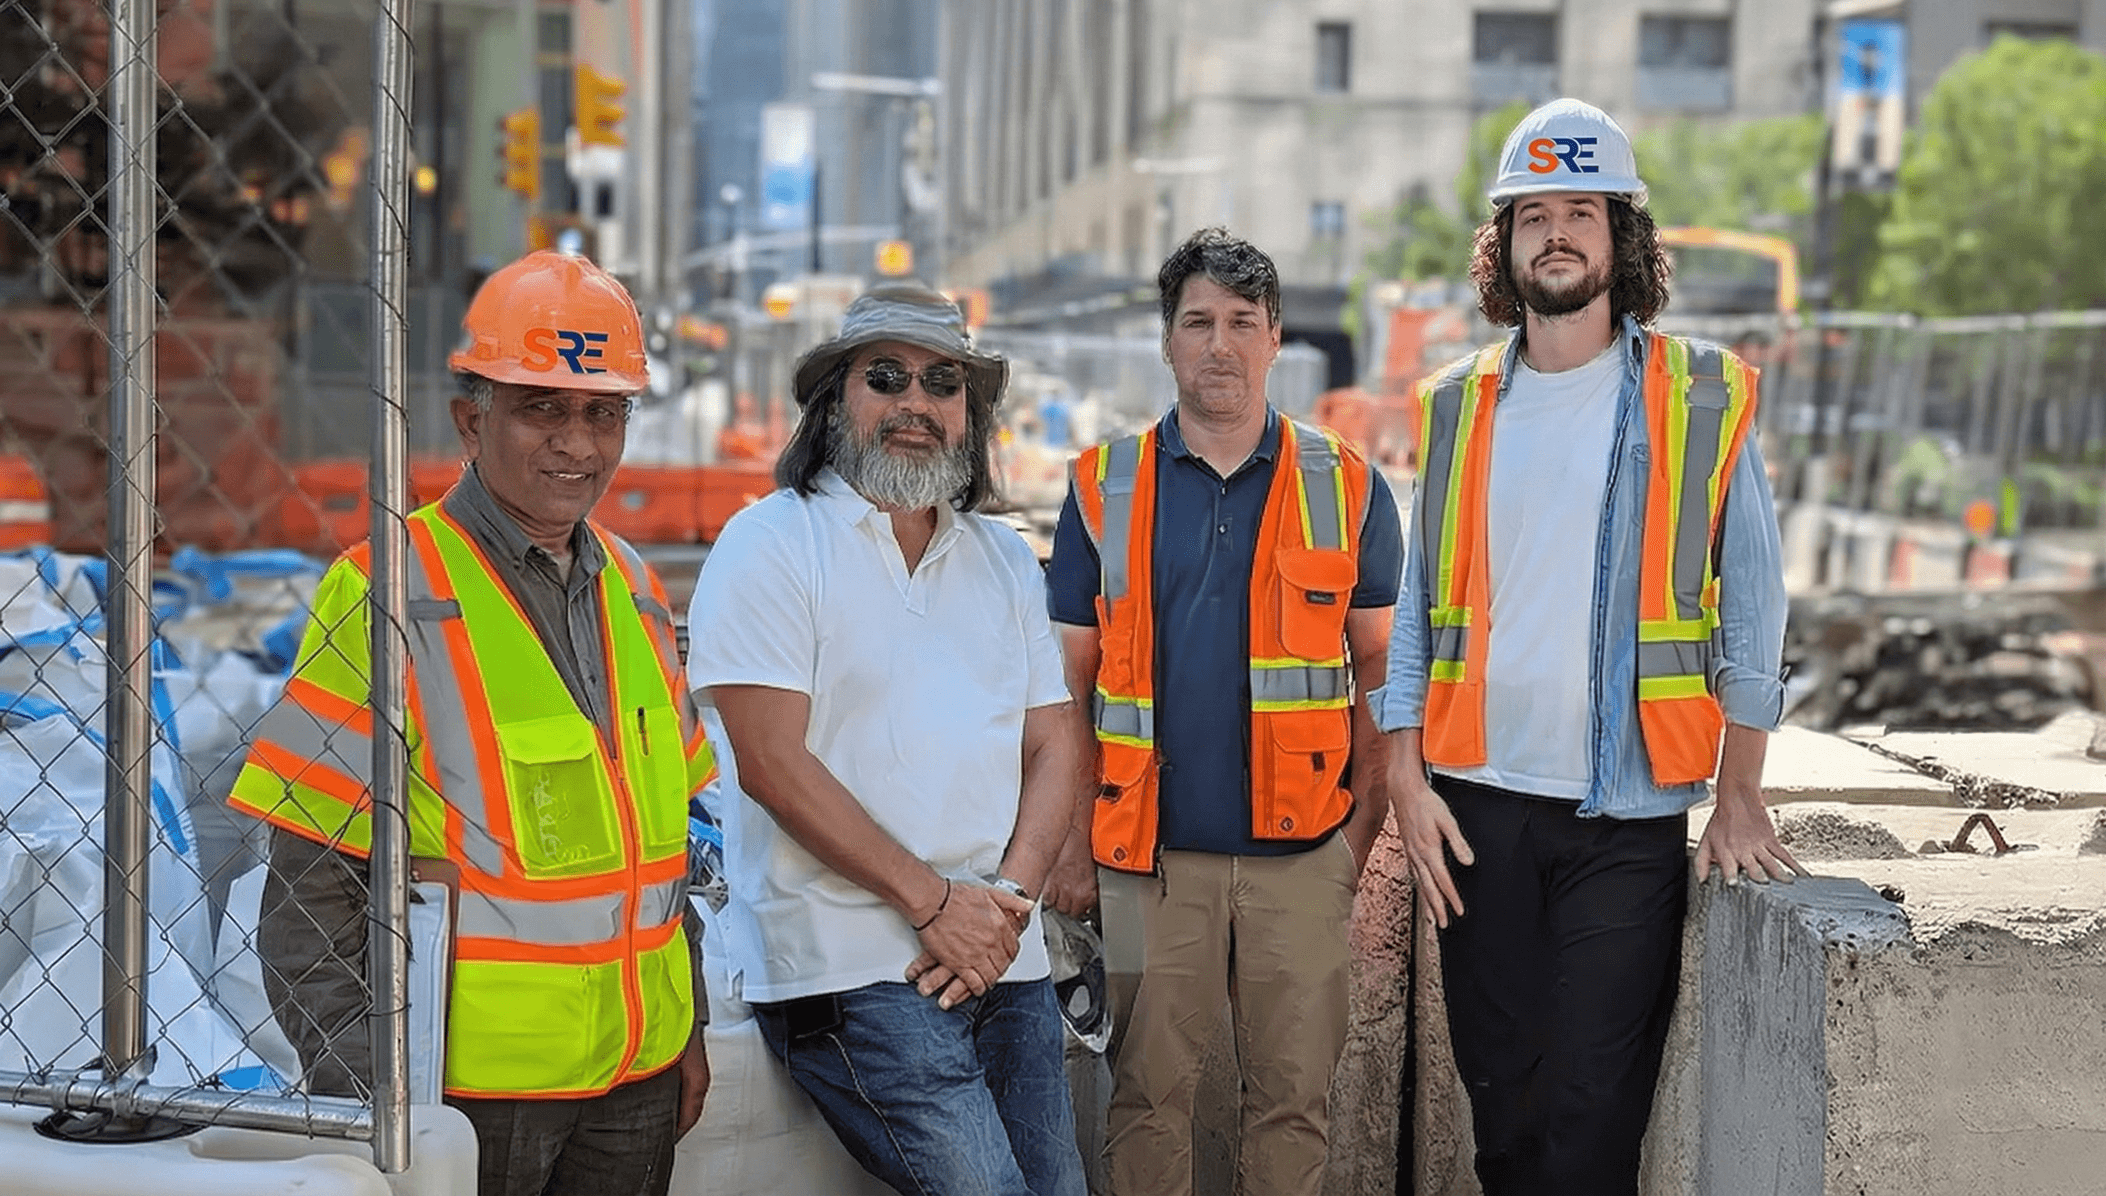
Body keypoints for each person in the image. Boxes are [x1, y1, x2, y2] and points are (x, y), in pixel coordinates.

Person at [1377, 98, 1803, 1195]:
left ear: (1622, 238)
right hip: (1477, 806)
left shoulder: (1698, 395)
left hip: (1628, 818)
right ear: (1504, 245)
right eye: (1533, 216)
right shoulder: (1457, 404)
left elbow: (1754, 599)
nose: (1555, 234)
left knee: (1590, 1116)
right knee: (1502, 1112)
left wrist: (1742, 787)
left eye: (1581, 211)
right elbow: (1421, 607)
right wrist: (1403, 776)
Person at [229, 249, 713, 1196]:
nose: (577, 442)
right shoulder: (386, 591)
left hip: (635, 1080)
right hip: (463, 1096)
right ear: (470, 418)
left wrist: (686, 1025)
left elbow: (663, 852)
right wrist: (371, 1091)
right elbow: (307, 887)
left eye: (602, 413)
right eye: (542, 407)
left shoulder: (640, 593)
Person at [684, 282, 1090, 1196]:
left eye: (944, 383)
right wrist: (934, 904)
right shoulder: (770, 545)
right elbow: (773, 767)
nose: (917, 402)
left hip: (1000, 950)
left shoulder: (1001, 559)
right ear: (837, 401)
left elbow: (1055, 743)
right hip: (847, 961)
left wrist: (1006, 904)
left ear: (970, 415)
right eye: (887, 377)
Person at [1043, 227, 1405, 1196]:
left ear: (1276, 336)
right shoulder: (1097, 486)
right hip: (1147, 859)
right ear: (1166, 340)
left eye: (1243, 322)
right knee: (1147, 1097)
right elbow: (1065, 692)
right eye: (1198, 321)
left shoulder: (1349, 485)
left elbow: (1381, 677)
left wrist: (1358, 838)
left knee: (1295, 1102)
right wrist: (1072, 841)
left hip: (1304, 861)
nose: (1220, 344)